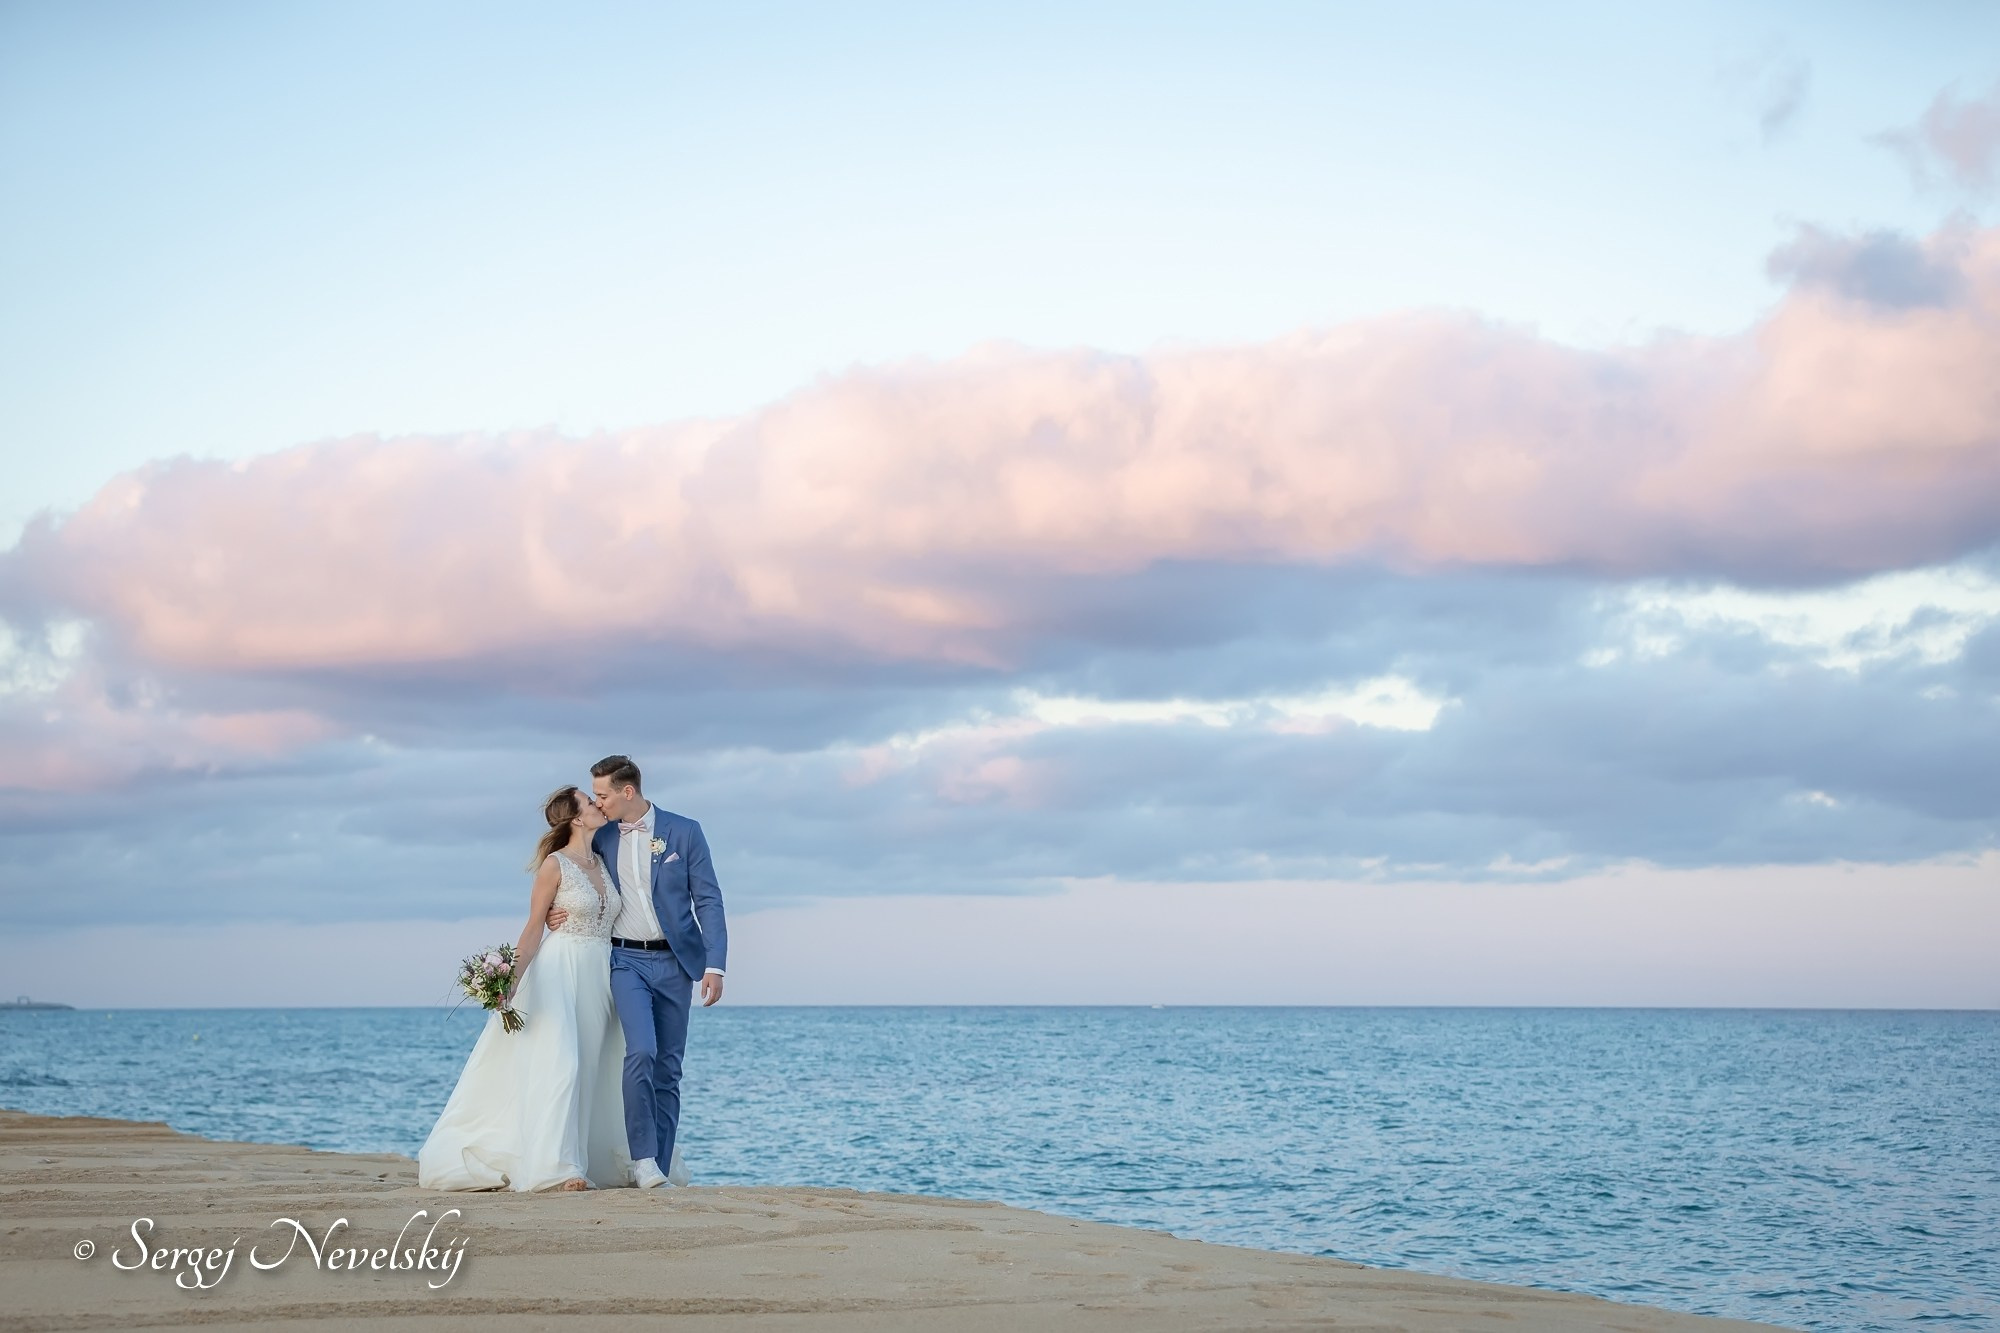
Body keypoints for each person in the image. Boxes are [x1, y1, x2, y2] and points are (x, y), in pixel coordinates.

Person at [418, 785, 686, 1190]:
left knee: (599, 1067)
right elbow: (532, 926)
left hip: (603, 973)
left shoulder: (603, 859)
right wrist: (510, 982)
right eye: (589, 801)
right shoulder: (554, 866)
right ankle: (561, 1169)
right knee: (563, 1063)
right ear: (577, 818)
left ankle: (603, 1157)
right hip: (560, 970)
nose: (598, 804)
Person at [545, 754, 727, 1191]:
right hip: (624, 961)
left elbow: (709, 900)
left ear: (628, 792)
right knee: (641, 1051)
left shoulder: (685, 831)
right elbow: (569, 868)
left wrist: (714, 964)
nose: (599, 802)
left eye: (603, 794)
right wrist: (558, 913)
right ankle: (641, 1159)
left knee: (669, 1067)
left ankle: (658, 1167)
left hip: (676, 964)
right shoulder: (602, 834)